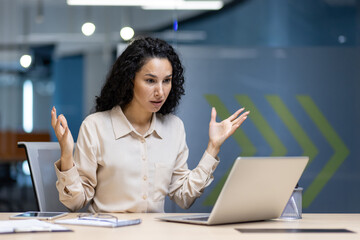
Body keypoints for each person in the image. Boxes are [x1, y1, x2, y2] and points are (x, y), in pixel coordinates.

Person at [51, 37, 250, 213]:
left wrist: (213, 147)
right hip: (108, 234)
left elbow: (184, 197)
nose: (160, 92)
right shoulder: (95, 126)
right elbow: (75, 203)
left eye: (167, 81)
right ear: (130, 80)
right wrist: (67, 155)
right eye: (150, 81)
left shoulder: (174, 127)